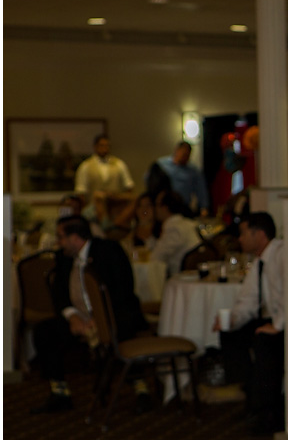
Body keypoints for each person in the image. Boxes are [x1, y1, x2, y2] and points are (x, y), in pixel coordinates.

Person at [31, 215, 149, 414]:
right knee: (44, 331)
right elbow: (59, 293)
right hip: (81, 317)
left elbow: (123, 291)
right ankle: (60, 393)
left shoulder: (110, 251)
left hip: (115, 313)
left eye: (61, 237)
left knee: (124, 330)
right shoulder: (63, 258)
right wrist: (72, 316)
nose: (58, 243)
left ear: (75, 237)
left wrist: (99, 319)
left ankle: (141, 389)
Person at [212, 212, 285, 434]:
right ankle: (250, 392)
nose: (240, 239)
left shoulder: (282, 254)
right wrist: (233, 319)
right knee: (232, 333)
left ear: (259, 234)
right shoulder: (260, 261)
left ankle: (268, 412)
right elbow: (250, 298)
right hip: (278, 318)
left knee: (264, 340)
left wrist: (278, 325)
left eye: (244, 233)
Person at [73, 133, 135, 229]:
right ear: (95, 147)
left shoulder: (119, 164)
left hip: (115, 209)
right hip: (94, 212)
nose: (105, 148)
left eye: (107, 146)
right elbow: (81, 192)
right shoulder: (85, 166)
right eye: (102, 145)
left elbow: (129, 187)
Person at [150, 190, 202, 276]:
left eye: (156, 205)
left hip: (181, 277)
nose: (154, 209)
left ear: (165, 207)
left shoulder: (174, 228)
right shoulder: (188, 223)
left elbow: (157, 256)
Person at [154, 141, 210, 217]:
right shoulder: (161, 165)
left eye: (187, 155)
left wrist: (204, 208)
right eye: (183, 154)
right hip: (164, 208)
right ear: (176, 150)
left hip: (183, 208)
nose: (185, 157)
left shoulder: (193, 171)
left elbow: (201, 190)